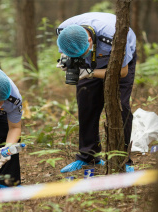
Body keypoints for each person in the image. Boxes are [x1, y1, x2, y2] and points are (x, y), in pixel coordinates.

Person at [56, 12, 136, 173]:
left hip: (120, 63)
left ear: (90, 41)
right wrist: (66, 61)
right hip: (89, 65)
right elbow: (65, 51)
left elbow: (122, 72)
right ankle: (88, 157)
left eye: (82, 53)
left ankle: (123, 159)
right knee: (86, 105)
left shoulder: (113, 36)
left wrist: (89, 72)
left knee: (121, 107)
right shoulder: (64, 30)